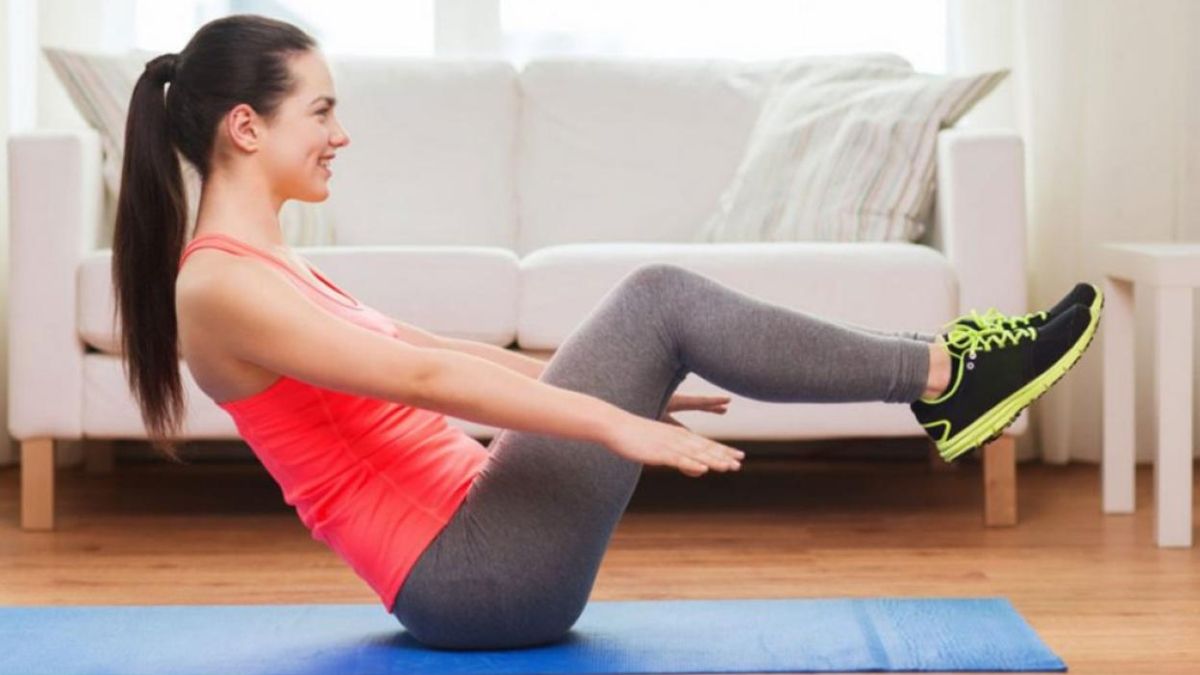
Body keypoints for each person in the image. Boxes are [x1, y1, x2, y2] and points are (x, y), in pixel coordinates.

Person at [114, 13, 1103, 651]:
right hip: (476, 577)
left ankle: (945, 377)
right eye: (321, 110)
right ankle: (946, 378)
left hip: (483, 533)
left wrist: (609, 385)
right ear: (246, 127)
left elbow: (447, 347)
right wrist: (615, 425)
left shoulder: (269, 265)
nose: (341, 133)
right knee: (658, 294)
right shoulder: (217, 288)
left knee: (653, 308)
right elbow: (412, 374)